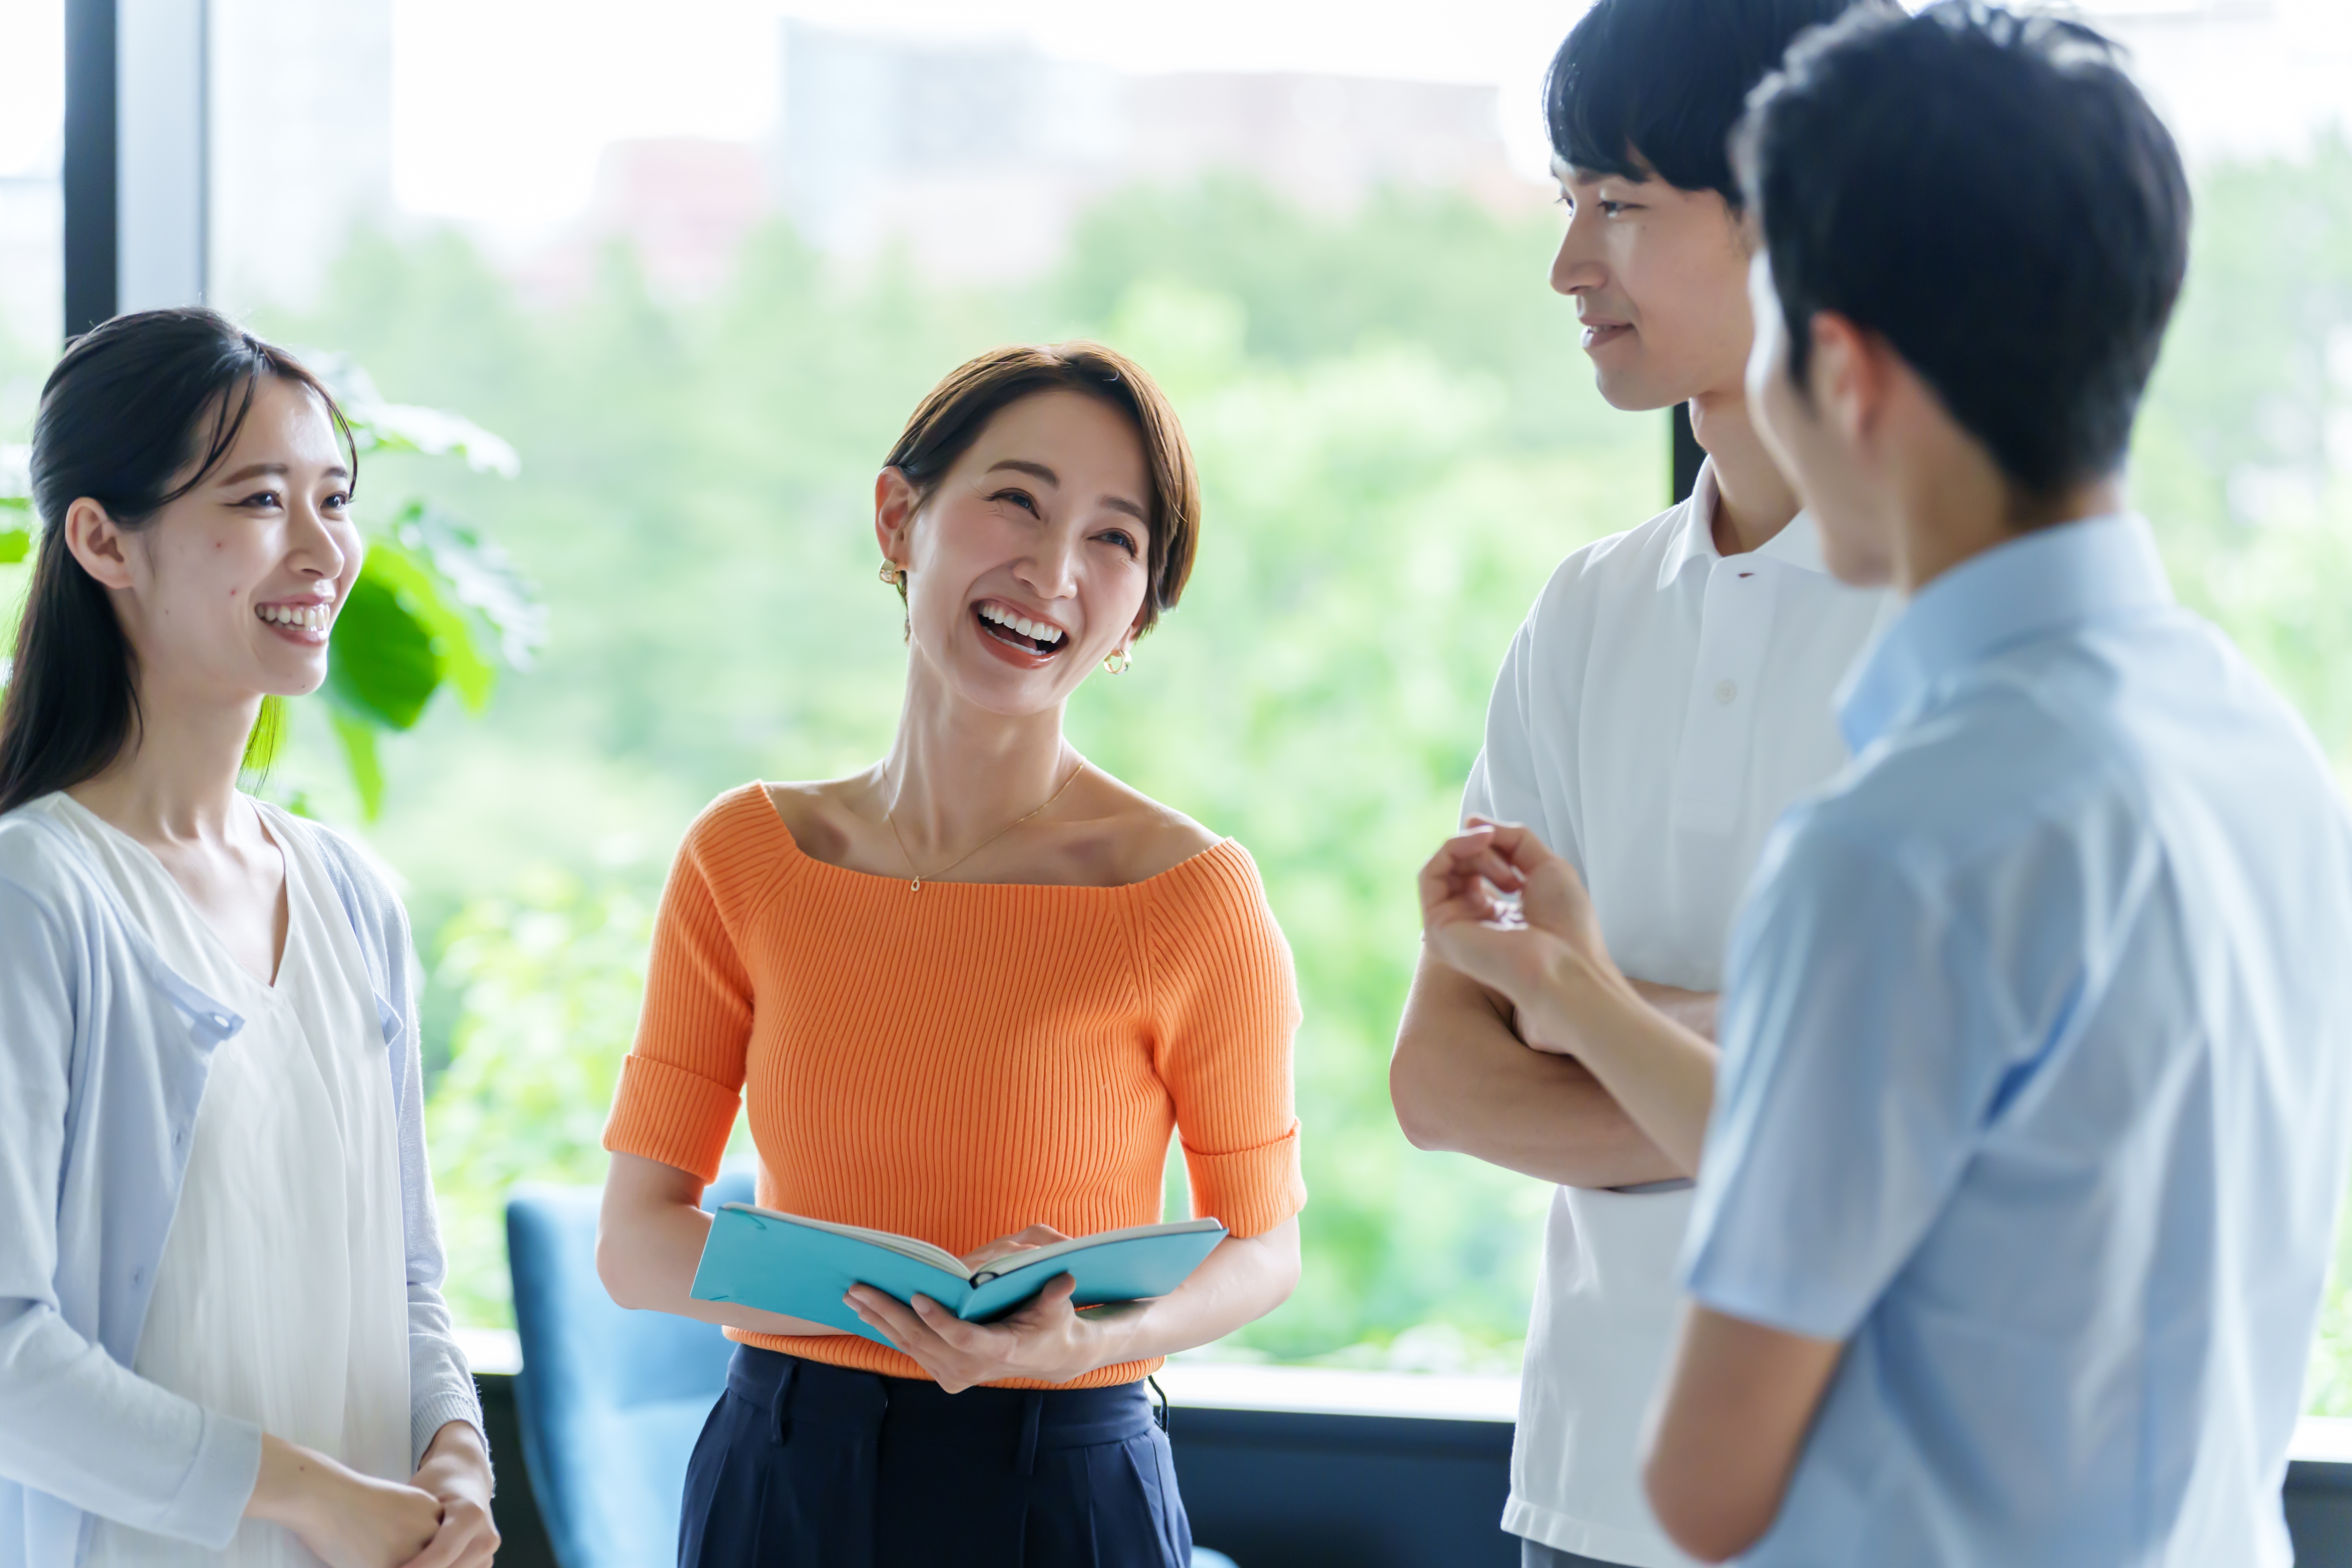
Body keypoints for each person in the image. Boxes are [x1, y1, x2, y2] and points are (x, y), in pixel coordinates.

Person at [1419, 3, 2352, 1563]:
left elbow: (1708, 1481)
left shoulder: (1905, 840)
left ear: (1838, 366)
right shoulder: (2267, 750)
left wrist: (1622, 1021)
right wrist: (1613, 1003)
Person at [594, 342, 1305, 1567]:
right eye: (1017, 500)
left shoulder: (1189, 897)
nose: (1053, 570)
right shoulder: (745, 858)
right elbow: (637, 1242)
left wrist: (1083, 1340)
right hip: (784, 1474)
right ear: (899, 518)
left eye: (1114, 538)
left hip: (1063, 1480)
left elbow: (1264, 1248)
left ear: (1138, 610)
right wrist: (897, 1306)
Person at [1386, 2, 1879, 1564]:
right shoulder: (1588, 609)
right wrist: (1763, 1056)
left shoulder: (1957, 614)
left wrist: (1584, 1010)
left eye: (1620, 204)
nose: (1568, 265)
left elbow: (1915, 1117)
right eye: (1568, 200)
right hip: (1590, 1496)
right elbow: (1441, 1079)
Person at [0, 308, 496, 1568]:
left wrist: (454, 1448)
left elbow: (409, 1280)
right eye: (262, 500)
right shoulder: (37, 894)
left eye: (335, 499)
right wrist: (307, 1496)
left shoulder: (351, 896)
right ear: (103, 540)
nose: (325, 551)